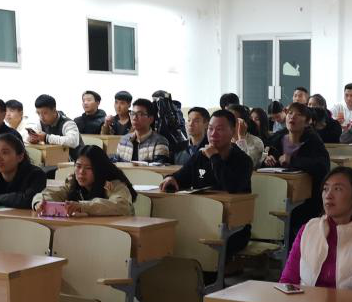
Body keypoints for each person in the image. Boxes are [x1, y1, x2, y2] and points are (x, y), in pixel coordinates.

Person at [161, 109, 253, 256]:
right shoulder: (200, 156)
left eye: (219, 129)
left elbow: (231, 187)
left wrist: (214, 157)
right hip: (201, 220)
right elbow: (181, 176)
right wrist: (170, 178)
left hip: (233, 226)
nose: (213, 134)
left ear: (232, 131)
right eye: (210, 129)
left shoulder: (243, 160)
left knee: (205, 246)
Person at [280, 167, 352, 292]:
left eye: (338, 189)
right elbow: (287, 281)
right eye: (325, 189)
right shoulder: (309, 228)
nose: (328, 195)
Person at [263, 101, 331, 241]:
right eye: (290, 113)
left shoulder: (313, 140)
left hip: (306, 198)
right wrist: (267, 160)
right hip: (276, 193)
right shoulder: (276, 138)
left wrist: (292, 160)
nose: (292, 117)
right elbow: (263, 161)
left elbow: (322, 167)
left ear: (307, 122)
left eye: (298, 114)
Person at [32, 145, 135, 217]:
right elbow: (51, 194)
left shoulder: (115, 185)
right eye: (78, 166)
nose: (81, 172)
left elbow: (121, 206)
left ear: (99, 170)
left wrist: (82, 206)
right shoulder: (73, 183)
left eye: (88, 168)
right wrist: (40, 203)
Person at [113, 98, 171, 164]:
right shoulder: (124, 140)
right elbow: (116, 164)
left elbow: (160, 168)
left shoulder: (159, 142)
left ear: (151, 119)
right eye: (132, 113)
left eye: (140, 114)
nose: (134, 118)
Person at [227, 103, 265, 168]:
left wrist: (241, 138)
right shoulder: (223, 140)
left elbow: (246, 166)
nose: (228, 124)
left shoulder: (256, 142)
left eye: (233, 120)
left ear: (244, 123)